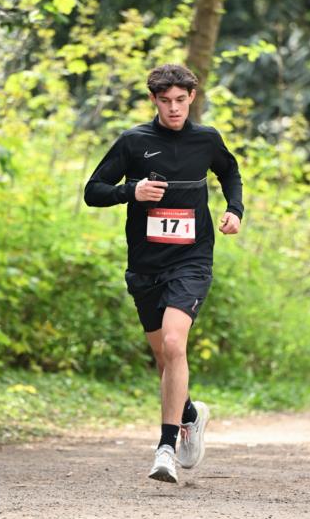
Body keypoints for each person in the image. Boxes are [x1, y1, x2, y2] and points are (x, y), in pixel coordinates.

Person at [84, 63, 244, 484]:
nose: (174, 109)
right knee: (164, 357)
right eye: (165, 101)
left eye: (181, 101)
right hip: (145, 264)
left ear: (191, 98)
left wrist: (234, 209)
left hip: (192, 259)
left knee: (175, 342)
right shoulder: (134, 141)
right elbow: (92, 191)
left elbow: (229, 171)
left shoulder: (206, 139)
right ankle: (191, 413)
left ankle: (166, 449)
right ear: (153, 100)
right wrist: (129, 192)